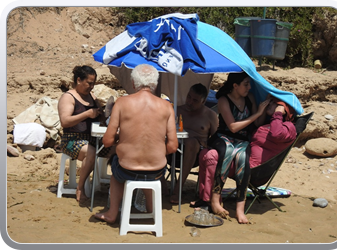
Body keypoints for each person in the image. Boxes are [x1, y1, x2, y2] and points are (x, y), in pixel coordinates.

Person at [94, 64, 178, 224]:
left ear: (133, 83)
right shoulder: (167, 107)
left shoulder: (122, 103)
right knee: (150, 174)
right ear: (154, 84)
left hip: (127, 169)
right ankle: (151, 210)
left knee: (116, 169)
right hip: (157, 171)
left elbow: (107, 141)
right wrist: (155, 152)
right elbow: (173, 146)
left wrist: (121, 139)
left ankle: (112, 212)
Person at [194, 95, 297, 224]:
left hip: (254, 168)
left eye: (272, 104)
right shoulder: (268, 123)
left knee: (211, 157)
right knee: (205, 152)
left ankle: (215, 201)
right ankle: (205, 199)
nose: (269, 105)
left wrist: (278, 113)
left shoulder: (289, 127)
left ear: (283, 109)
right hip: (240, 158)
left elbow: (276, 134)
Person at [200, 72, 269, 223]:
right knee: (228, 151)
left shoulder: (249, 99)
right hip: (223, 137)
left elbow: (257, 124)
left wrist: (262, 111)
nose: (249, 87)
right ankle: (215, 200)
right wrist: (256, 114)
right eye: (246, 84)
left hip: (242, 139)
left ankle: (239, 209)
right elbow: (232, 127)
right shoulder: (224, 100)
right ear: (235, 86)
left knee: (243, 159)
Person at [58, 65, 111, 203]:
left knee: (118, 148)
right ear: (79, 80)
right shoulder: (68, 97)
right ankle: (80, 188)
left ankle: (116, 186)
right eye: (89, 83)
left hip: (93, 139)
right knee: (91, 152)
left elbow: (100, 115)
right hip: (72, 140)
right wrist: (87, 113)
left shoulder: (91, 96)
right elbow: (65, 121)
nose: (92, 86)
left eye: (93, 83)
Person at [168, 83, 218, 204]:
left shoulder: (210, 115)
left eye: (195, 100)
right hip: (172, 151)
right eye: (189, 97)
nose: (190, 102)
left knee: (191, 143)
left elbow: (216, 138)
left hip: (195, 154)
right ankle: (163, 185)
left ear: (203, 101)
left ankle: (178, 189)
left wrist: (206, 144)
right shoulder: (176, 110)